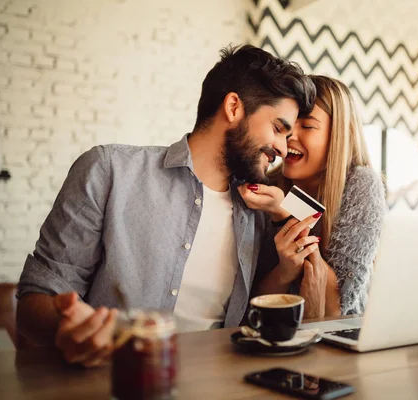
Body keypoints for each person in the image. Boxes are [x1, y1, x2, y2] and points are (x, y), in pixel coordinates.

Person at [16, 44, 316, 367]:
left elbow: (263, 309)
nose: (284, 149)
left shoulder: (257, 211)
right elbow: (36, 298)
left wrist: (284, 215)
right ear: (233, 108)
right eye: (278, 129)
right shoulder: (108, 171)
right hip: (117, 382)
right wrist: (67, 329)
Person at [239, 75, 386, 319]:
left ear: (339, 135)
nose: (289, 135)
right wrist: (286, 272)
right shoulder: (267, 186)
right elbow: (252, 307)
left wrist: (284, 214)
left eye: (307, 126)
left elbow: (338, 306)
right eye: (289, 123)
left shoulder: (361, 184)